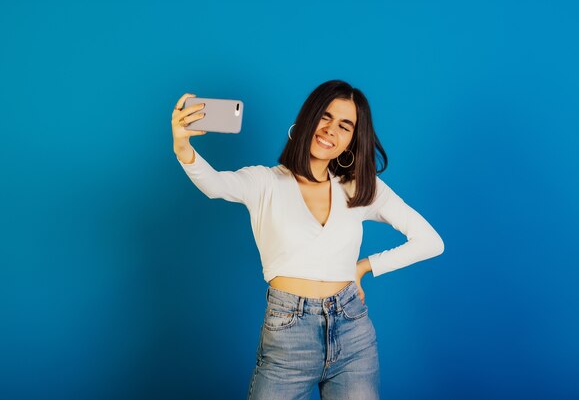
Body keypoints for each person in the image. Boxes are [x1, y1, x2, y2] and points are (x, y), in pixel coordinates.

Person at [171, 80, 444, 399]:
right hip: (288, 336)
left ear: (351, 140)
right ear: (308, 117)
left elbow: (430, 241)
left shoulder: (359, 189)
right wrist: (182, 147)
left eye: (345, 126)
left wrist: (364, 267)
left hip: (353, 332)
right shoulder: (265, 182)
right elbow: (214, 184)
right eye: (325, 116)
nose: (331, 130)